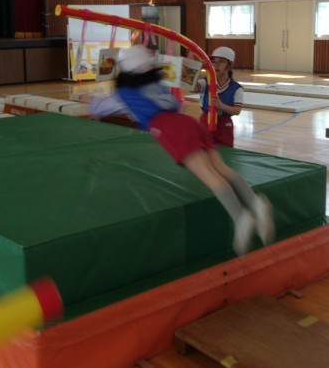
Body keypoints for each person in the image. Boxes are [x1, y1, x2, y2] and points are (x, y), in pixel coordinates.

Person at [114, 45, 274, 255]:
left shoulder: (125, 90)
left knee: (209, 175)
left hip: (169, 128)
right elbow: (174, 103)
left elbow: (118, 106)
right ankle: (255, 203)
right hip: (189, 122)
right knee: (220, 168)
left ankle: (240, 217)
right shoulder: (155, 82)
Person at [193, 47, 243, 147]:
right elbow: (193, 89)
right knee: (203, 148)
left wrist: (222, 106)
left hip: (224, 125)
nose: (216, 65)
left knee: (225, 151)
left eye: (221, 62)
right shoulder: (205, 82)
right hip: (205, 121)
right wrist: (198, 70)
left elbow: (237, 111)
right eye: (213, 62)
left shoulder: (236, 88)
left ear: (231, 64)